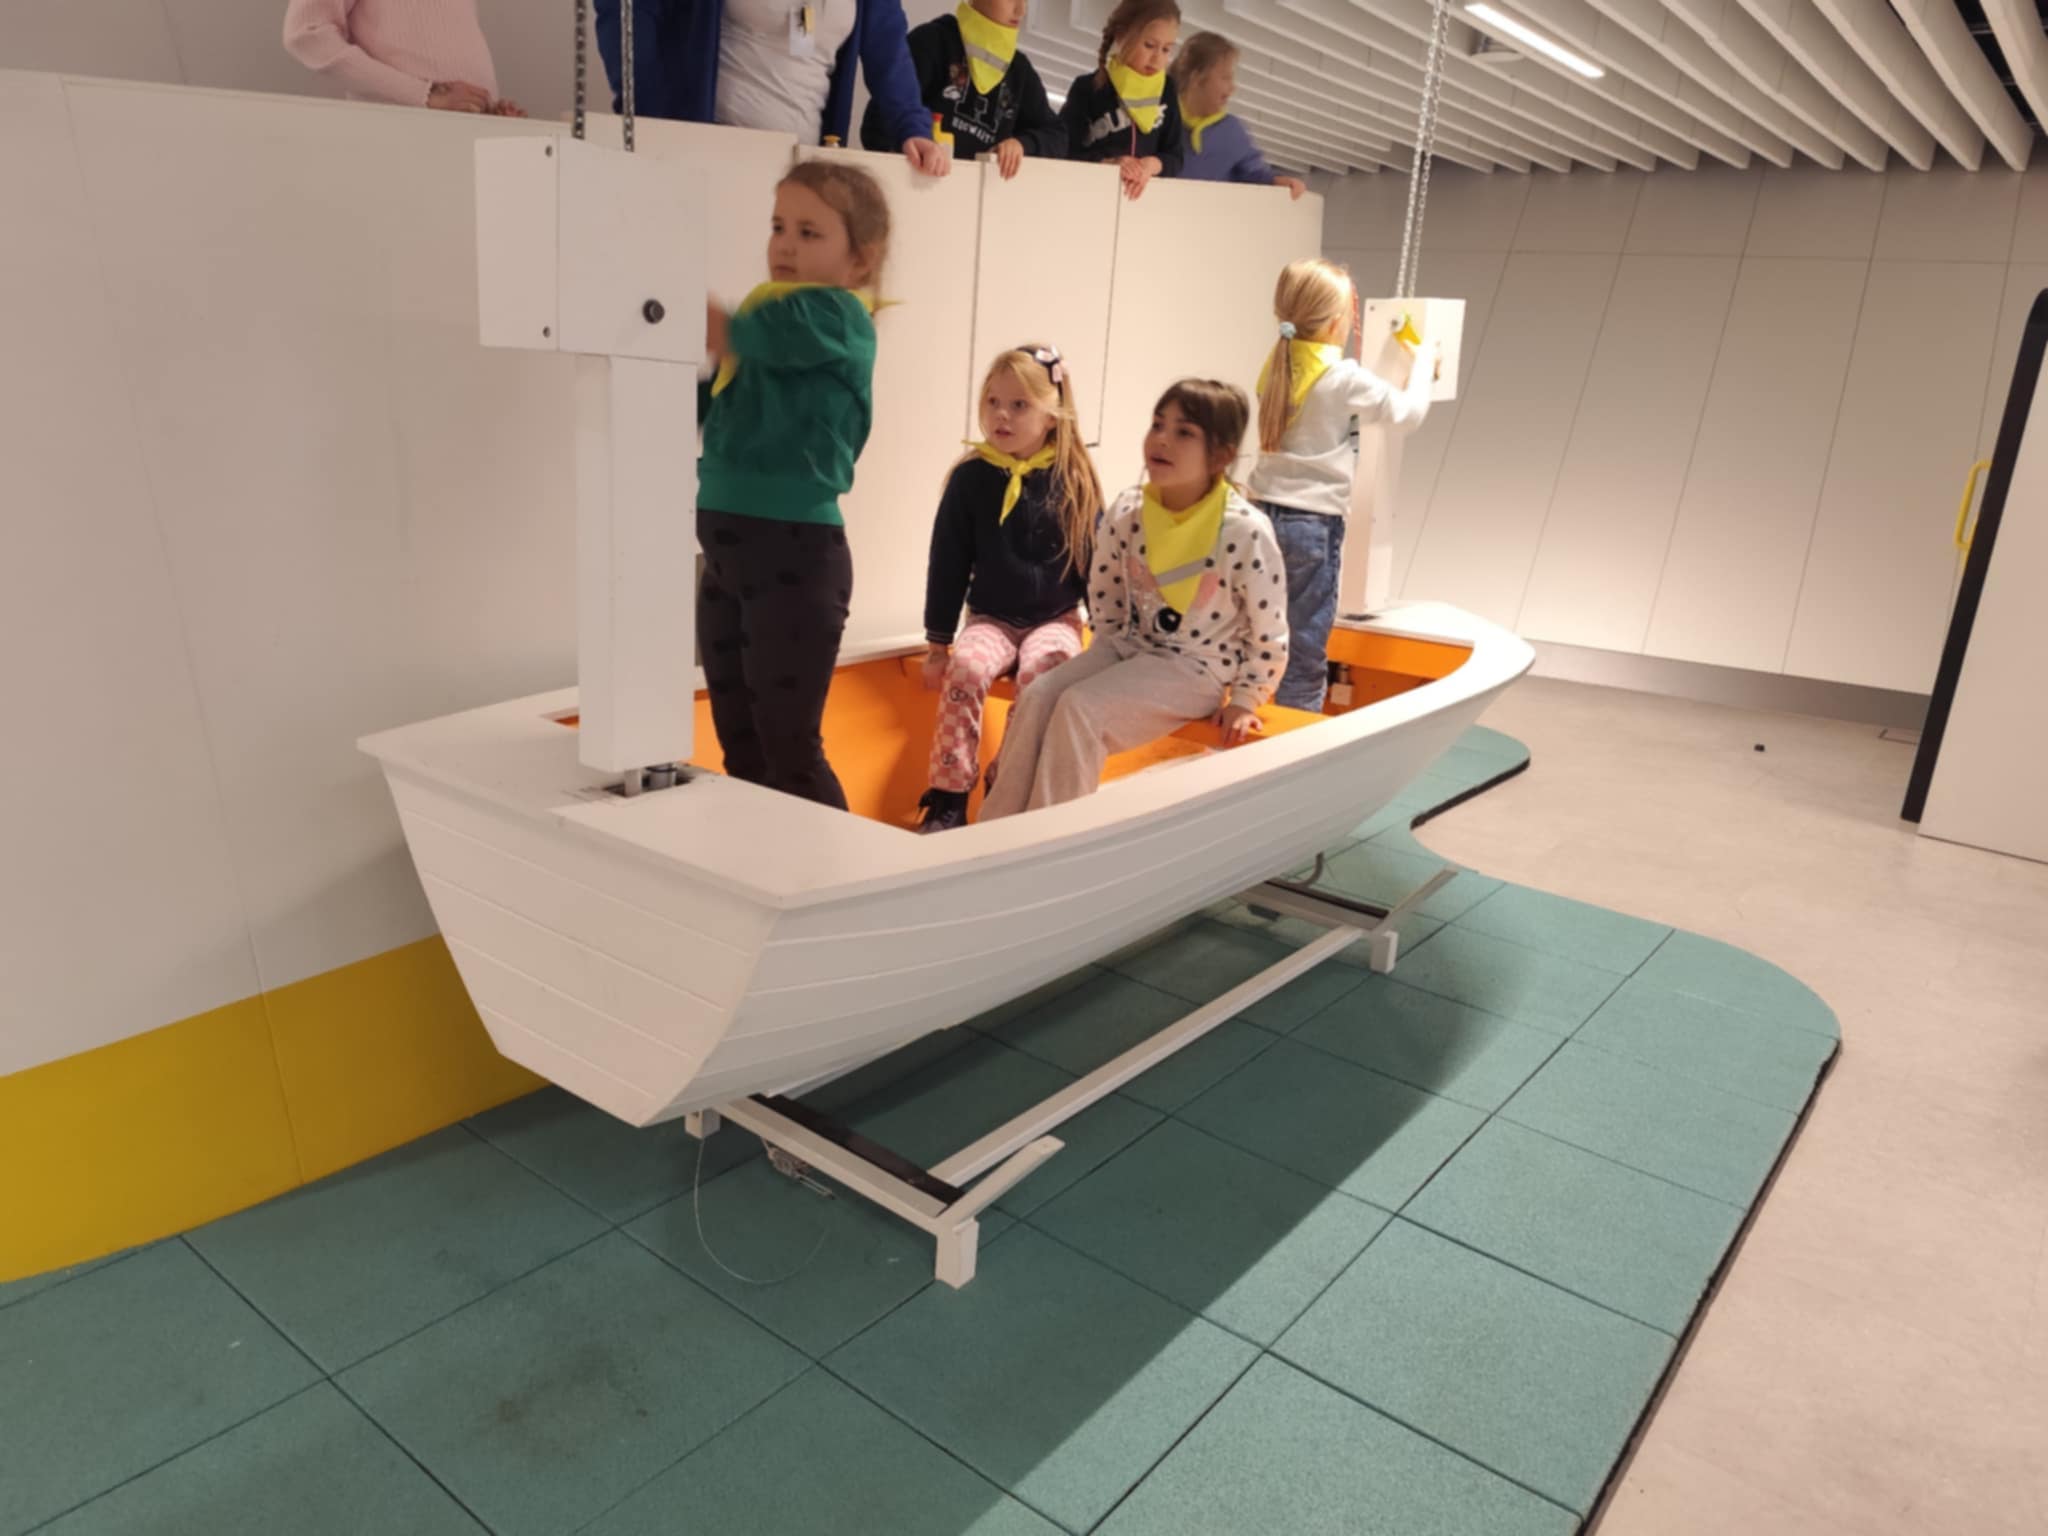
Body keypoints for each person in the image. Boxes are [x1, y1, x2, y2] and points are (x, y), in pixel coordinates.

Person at [980, 379, 1288, 818]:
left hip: (1195, 669)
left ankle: (1053, 841)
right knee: (1038, 697)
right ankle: (997, 831)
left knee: (1080, 710)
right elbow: (1105, 594)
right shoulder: (1128, 511)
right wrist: (1109, 649)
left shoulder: (1245, 530)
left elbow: (1269, 629)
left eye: (1184, 432)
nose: (1162, 439)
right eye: (1158, 425)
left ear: (1221, 456)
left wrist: (1246, 696)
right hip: (1125, 648)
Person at [697, 160, 891, 809]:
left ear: (859, 260)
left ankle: (834, 867)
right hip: (726, 555)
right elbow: (718, 406)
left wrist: (651, 290)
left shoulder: (835, 317)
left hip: (794, 557)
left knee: (790, 750)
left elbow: (749, 336)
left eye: (810, 233)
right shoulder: (768, 320)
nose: (785, 244)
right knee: (742, 747)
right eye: (779, 226)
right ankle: (757, 862)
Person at [917, 344, 1103, 832]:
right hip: (991, 618)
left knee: (1042, 673)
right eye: (993, 402)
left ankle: (1007, 782)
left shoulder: (1074, 479)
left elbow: (1095, 565)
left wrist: (1108, 640)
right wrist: (938, 644)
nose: (1002, 415)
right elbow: (947, 562)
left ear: (1052, 416)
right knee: (967, 668)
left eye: (1019, 405)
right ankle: (948, 796)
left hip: (1055, 619)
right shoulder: (970, 478)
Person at [1247, 258, 1437, 712]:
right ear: (1336, 322)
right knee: (1304, 650)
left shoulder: (1277, 364)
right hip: (1311, 525)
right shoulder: (1342, 377)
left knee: (1256, 638)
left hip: (1259, 515)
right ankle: (1296, 740)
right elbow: (1408, 414)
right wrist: (1426, 358)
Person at [594, 0, 947, 175]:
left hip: (801, 168)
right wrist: (647, 112)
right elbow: (627, 13)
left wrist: (912, 129)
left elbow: (888, 50)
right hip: (697, 156)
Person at [861, 0, 1064, 176]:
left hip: (980, 200)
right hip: (917, 185)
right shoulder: (932, 41)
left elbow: (1057, 135)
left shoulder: (1020, 71)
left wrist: (1023, 145)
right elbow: (876, 127)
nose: (1021, 11)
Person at [282, 0, 523, 114]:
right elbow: (306, 34)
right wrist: (422, 94)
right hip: (403, 133)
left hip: (472, 135)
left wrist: (487, 105)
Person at [1059, 0, 1184, 200]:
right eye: (1149, 45)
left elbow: (1175, 156)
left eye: (1166, 49)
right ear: (1121, 35)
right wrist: (1108, 163)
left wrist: (1152, 165)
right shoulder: (1087, 88)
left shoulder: (1167, 89)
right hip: (1090, 196)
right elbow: (1063, 150)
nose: (1157, 58)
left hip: (1146, 203)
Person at [1170, 32, 1304, 199]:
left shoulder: (1231, 131)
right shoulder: (1161, 121)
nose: (1232, 88)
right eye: (1225, 77)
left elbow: (1255, 174)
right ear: (1197, 77)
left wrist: (1278, 181)